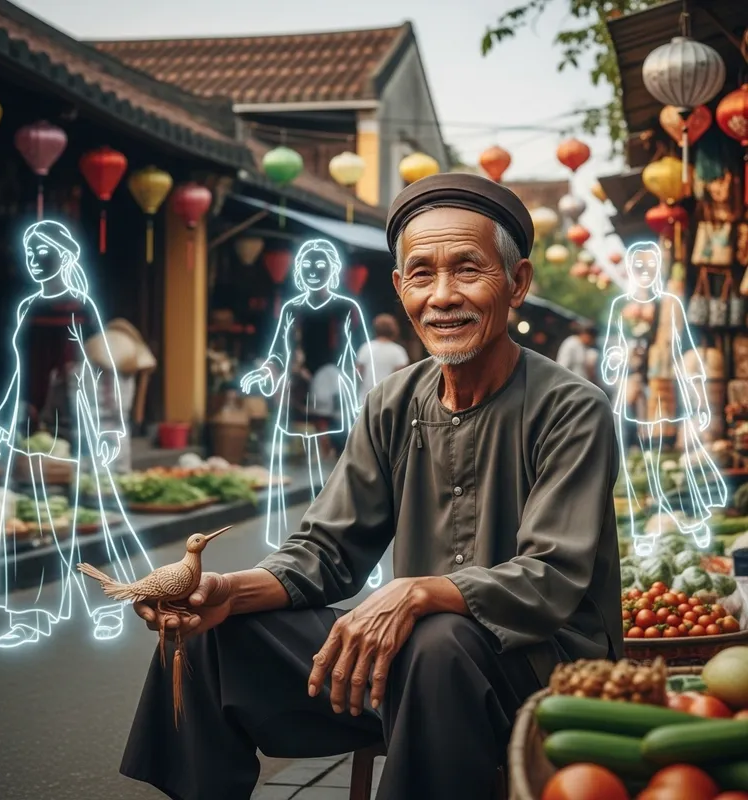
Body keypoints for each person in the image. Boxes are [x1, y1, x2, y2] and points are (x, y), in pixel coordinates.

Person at [121, 174, 622, 800]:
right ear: (399, 288)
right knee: (206, 638)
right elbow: (328, 550)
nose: (442, 297)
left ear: (517, 283)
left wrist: (415, 593)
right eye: (421, 274)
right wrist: (228, 590)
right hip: (413, 653)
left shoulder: (572, 408)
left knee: (439, 645)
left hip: (537, 662)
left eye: (468, 271)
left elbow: (550, 578)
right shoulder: (394, 401)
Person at [0, 220, 153, 647]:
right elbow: (18, 376)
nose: (34, 261)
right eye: (29, 254)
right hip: (38, 430)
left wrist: (109, 428)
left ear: (65, 255)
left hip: (82, 430)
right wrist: (2, 425)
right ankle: (31, 617)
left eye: (43, 253)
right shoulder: (28, 309)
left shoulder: (83, 309)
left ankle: (109, 606)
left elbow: (104, 374)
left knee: (89, 522)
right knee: (42, 522)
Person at [240, 239, 381, 589]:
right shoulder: (291, 309)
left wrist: (369, 401)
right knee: (305, 481)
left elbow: (362, 361)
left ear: (332, 271)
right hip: (299, 400)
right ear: (299, 272)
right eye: (307, 267)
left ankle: (362, 558)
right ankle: (289, 560)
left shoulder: (347, 307)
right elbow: (278, 354)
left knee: (349, 481)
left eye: (321, 267)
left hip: (339, 401)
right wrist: (265, 373)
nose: (314, 272)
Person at [601, 240, 727, 556]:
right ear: (630, 270)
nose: (644, 272)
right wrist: (617, 361)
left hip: (669, 393)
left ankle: (691, 521)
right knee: (638, 465)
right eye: (638, 266)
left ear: (658, 268)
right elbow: (612, 351)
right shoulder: (621, 307)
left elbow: (687, 348)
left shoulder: (671, 303)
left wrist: (698, 394)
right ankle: (646, 529)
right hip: (635, 396)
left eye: (650, 266)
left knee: (675, 463)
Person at [357, 313, 410, 403]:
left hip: (366, 400)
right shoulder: (398, 351)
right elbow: (402, 379)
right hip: (388, 401)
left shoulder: (365, 348)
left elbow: (358, 374)